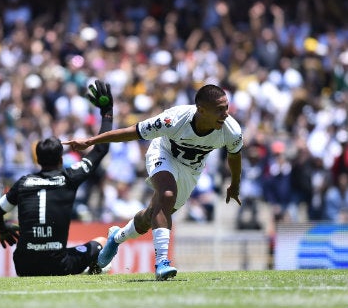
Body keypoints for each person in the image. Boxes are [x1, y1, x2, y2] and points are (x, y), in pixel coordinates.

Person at [63, 84, 243, 280]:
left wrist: (234, 185)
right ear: (201, 110)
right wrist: (90, 141)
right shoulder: (173, 119)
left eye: (226, 107)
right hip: (163, 154)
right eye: (220, 109)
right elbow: (131, 132)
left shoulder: (231, 130)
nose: (226, 113)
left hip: (191, 171)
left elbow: (234, 156)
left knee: (151, 216)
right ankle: (162, 263)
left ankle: (116, 237)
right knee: (166, 195)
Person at [0, 80, 114, 276]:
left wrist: (3, 228)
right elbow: (101, 148)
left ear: (37, 159)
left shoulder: (23, 183)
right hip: (58, 265)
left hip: (24, 267)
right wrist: (107, 112)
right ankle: (91, 270)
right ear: (60, 159)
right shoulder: (69, 177)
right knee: (102, 243)